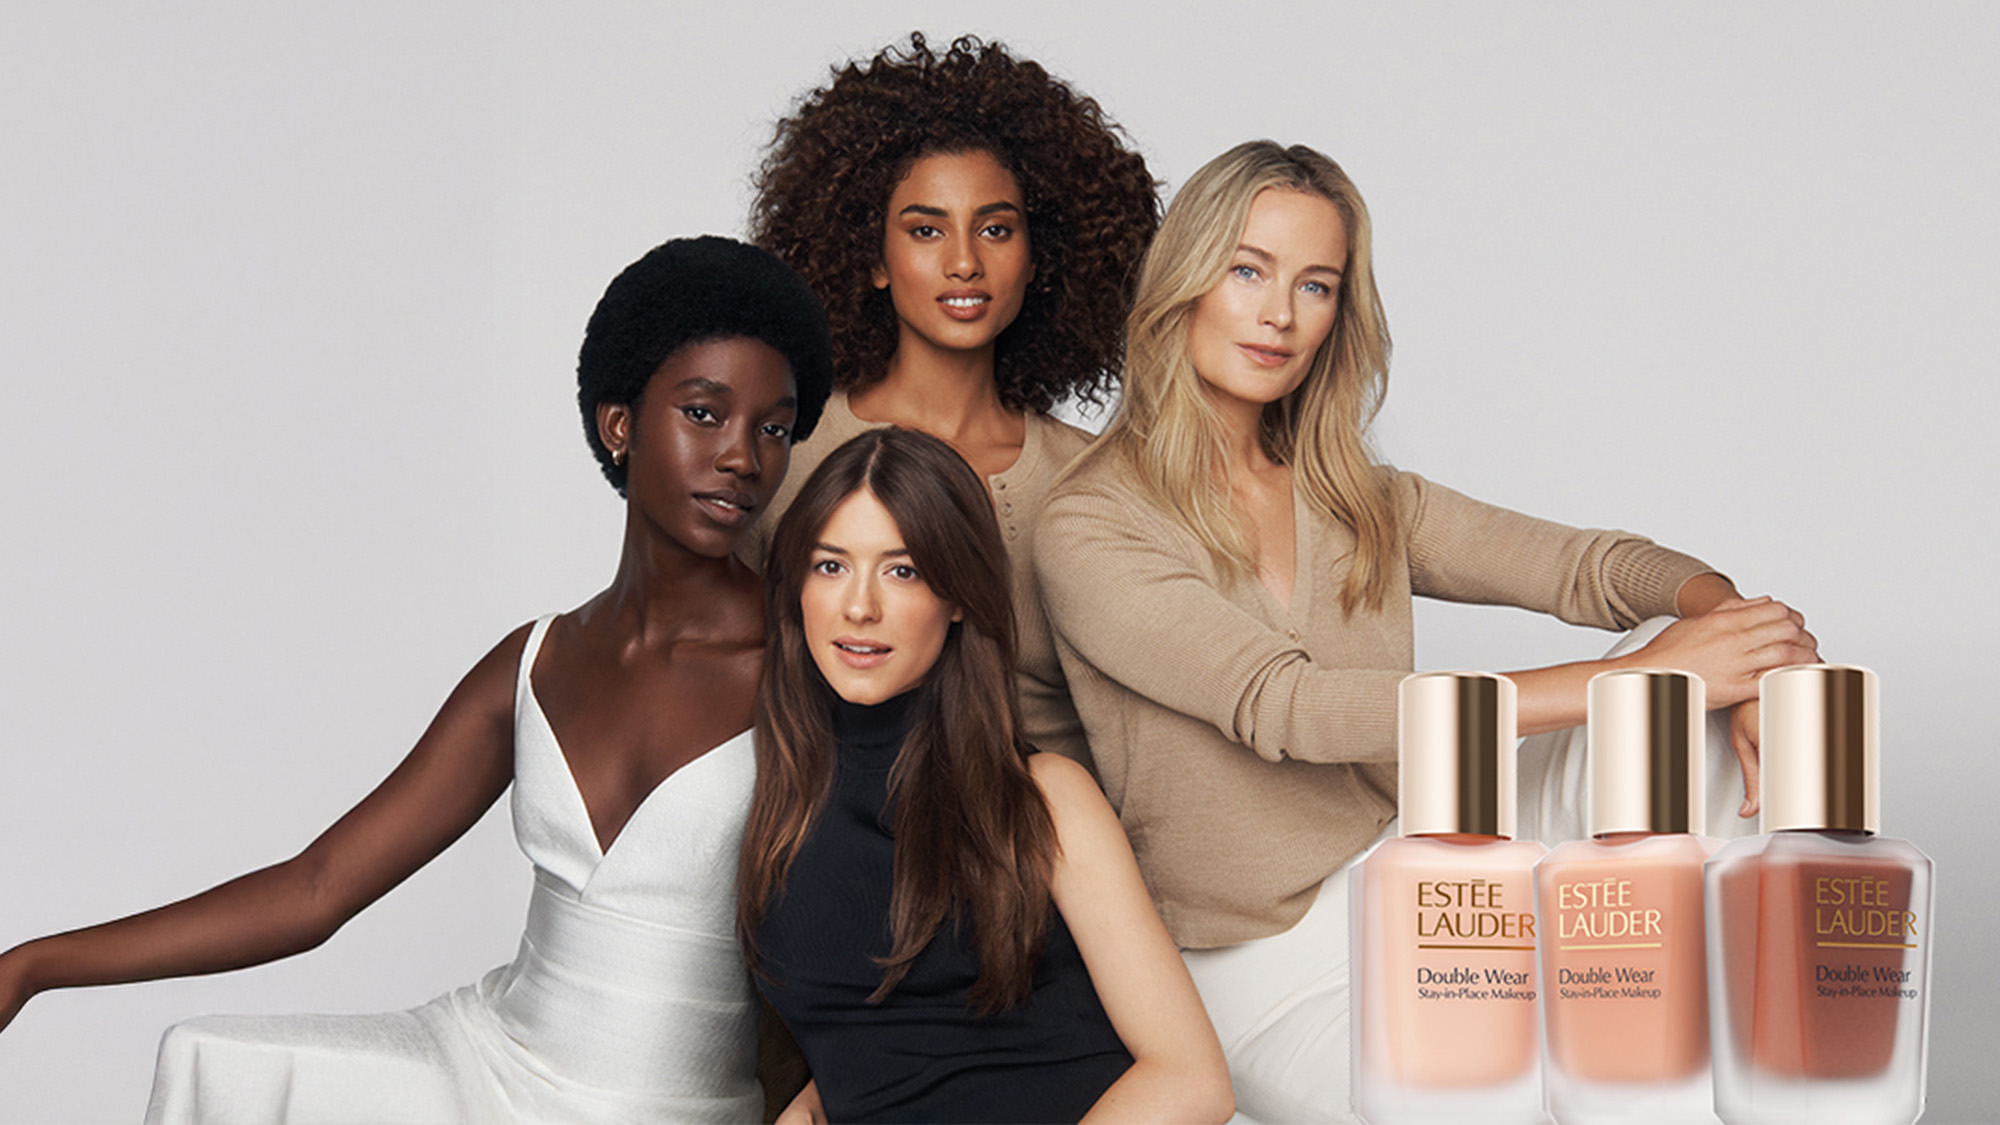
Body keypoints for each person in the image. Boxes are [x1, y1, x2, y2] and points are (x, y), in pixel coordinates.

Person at [1031, 141, 1818, 1122]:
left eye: (1313, 286)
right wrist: (1651, 680)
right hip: (1261, 964)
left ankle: (1673, 1062)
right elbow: (1287, 708)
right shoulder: (1089, 523)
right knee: (1484, 1103)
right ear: (1182, 282)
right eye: (1247, 271)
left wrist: (1749, 657)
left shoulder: (1357, 497)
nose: (1278, 314)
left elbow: (1597, 568)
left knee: (1693, 703)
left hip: (1432, 866)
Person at [0, 236, 835, 1123]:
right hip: (483, 1069)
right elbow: (318, 885)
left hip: (683, 1108)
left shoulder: (809, 665)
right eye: (705, 414)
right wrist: (34, 964)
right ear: (618, 424)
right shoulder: (537, 661)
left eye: (772, 427)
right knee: (224, 1070)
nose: (743, 456)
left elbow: (904, 915)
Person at [737, 427, 1233, 1124]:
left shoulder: (1046, 796)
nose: (860, 606)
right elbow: (884, 1028)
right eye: (831, 565)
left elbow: (1190, 1080)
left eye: (902, 569)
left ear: (960, 594)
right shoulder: (775, 799)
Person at [741, 32, 1159, 769]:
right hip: (836, 853)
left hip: (1049, 853)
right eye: (926, 230)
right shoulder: (791, 450)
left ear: (1040, 258)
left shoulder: (1099, 478)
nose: (964, 261)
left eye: (996, 229)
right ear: (872, 257)